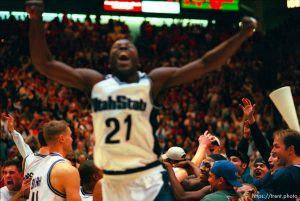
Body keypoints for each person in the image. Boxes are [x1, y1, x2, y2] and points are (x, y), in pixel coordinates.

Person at [26, 1, 257, 200]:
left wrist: (242, 35)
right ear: (109, 61)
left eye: (128, 46)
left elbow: (205, 64)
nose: (122, 47)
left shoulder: (153, 82)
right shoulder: (96, 83)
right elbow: (45, 64)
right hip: (113, 180)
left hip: (151, 179)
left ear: (138, 60)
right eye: (117, 47)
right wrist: (35, 20)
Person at [27, 120, 81, 201]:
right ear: (62, 139)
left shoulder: (38, 169)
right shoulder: (66, 170)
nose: (72, 140)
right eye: (70, 136)